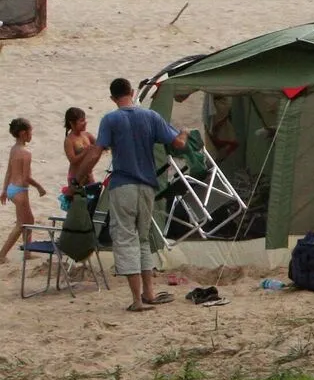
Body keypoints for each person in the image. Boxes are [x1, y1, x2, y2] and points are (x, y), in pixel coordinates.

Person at [75, 78, 187, 311]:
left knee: (125, 239)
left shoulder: (111, 119)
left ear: (113, 98)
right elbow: (177, 143)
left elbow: (97, 151)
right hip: (148, 186)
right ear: (133, 92)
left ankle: (136, 300)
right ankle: (149, 293)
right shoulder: (151, 117)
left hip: (123, 185)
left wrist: (78, 178)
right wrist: (185, 133)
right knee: (143, 238)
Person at [2, 119, 48, 262]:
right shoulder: (26, 153)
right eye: (30, 131)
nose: (31, 134)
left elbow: (9, 171)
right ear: (23, 133)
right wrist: (39, 187)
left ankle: (27, 253)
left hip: (12, 189)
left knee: (29, 220)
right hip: (20, 191)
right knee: (21, 225)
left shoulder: (14, 149)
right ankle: (1, 255)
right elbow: (27, 177)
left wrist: (4, 190)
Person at [63, 107, 98, 186]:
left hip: (89, 176)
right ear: (72, 123)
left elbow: (100, 145)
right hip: (75, 178)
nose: (85, 122)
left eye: (85, 120)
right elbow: (72, 160)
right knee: (79, 198)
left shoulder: (87, 135)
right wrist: (85, 151)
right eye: (82, 121)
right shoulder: (69, 140)